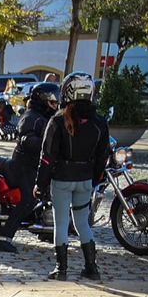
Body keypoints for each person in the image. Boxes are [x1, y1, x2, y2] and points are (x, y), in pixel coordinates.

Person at [38, 72, 109, 281]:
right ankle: (91, 267)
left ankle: (61, 269)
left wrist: (39, 184)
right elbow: (102, 156)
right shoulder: (99, 122)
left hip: (62, 179)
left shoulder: (58, 121)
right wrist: (94, 180)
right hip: (85, 179)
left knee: (61, 223)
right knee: (82, 223)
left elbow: (47, 156)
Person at [0, 83, 59, 253]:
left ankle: (44, 230)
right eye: (52, 101)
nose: (55, 104)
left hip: (36, 164)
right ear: (42, 100)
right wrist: (48, 146)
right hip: (24, 164)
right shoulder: (30, 116)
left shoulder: (45, 117)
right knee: (29, 199)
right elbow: (26, 139)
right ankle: (4, 238)